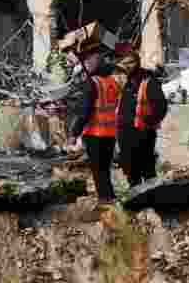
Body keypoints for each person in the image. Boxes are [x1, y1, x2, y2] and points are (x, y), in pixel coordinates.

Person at [69, 46, 120, 202]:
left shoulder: (92, 83)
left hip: (95, 134)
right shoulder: (112, 82)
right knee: (105, 170)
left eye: (88, 62)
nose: (86, 64)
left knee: (98, 171)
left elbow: (84, 112)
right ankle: (110, 198)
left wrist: (74, 133)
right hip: (110, 135)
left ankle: (105, 201)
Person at [112, 43, 167, 187]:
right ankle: (136, 199)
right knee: (131, 170)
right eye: (124, 63)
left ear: (137, 62)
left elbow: (161, 107)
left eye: (131, 62)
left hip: (143, 133)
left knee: (148, 170)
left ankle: (153, 200)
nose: (128, 66)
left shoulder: (148, 80)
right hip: (125, 133)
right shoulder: (123, 81)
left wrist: (148, 123)